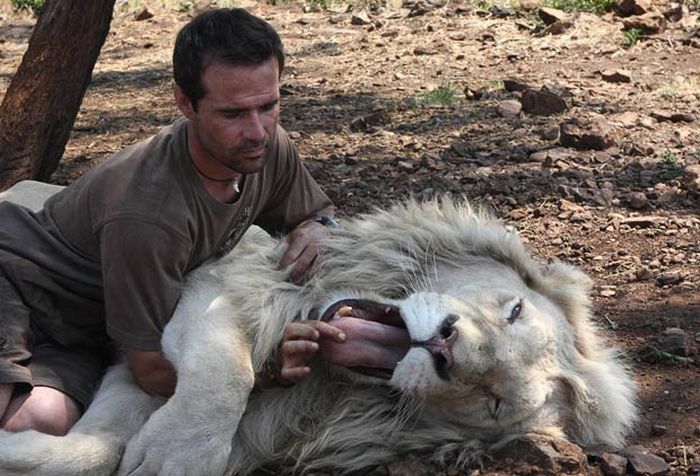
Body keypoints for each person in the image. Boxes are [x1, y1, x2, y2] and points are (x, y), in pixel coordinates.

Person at [0, 8, 345, 437]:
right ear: (185, 102)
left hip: (83, 329)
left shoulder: (265, 148)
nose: (257, 131)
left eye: (268, 105)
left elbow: (314, 213)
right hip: (14, 280)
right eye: (233, 114)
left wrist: (317, 225)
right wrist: (264, 372)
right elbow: (150, 372)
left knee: (36, 425)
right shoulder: (151, 216)